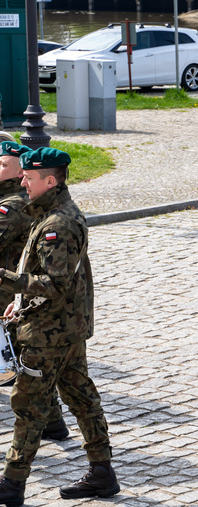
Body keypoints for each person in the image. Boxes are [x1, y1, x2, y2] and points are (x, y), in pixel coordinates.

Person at [0, 147, 119, 505]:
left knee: (28, 406)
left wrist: (6, 279)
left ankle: (11, 486)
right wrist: (18, 301)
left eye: (29, 177)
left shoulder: (58, 224)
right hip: (65, 327)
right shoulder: (50, 212)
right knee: (82, 398)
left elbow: (54, 284)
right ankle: (102, 473)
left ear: (50, 181)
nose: (22, 180)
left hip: (50, 333)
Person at [0, 141, 69, 443]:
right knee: (30, 369)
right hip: (17, 295)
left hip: (11, 294)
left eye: (2, 164)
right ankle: (53, 422)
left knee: (28, 369)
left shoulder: (13, 204)